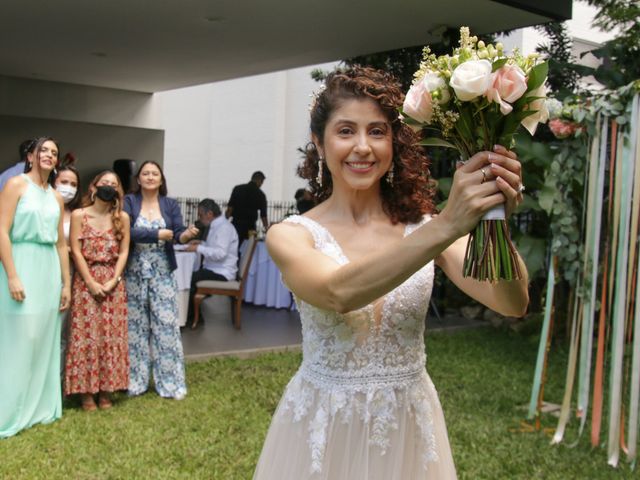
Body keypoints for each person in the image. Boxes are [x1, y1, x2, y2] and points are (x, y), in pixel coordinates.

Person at [252, 67, 529, 479]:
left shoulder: (424, 228)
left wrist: (493, 216)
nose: (362, 147)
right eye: (346, 131)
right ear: (319, 142)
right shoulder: (291, 235)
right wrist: (449, 224)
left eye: (377, 132)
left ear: (393, 144)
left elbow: (512, 302)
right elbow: (337, 292)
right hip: (324, 428)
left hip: (407, 426)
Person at [0, 137, 71, 438]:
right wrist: (12, 275)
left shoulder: (56, 197)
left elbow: (60, 243)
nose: (49, 155)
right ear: (31, 155)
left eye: (54, 153)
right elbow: (2, 230)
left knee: (43, 338)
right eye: (44, 150)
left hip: (48, 270)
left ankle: (39, 407)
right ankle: (9, 408)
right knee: (20, 337)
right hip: (21, 261)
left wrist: (66, 283)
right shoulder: (16, 184)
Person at [123, 161, 198, 400]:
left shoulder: (170, 204)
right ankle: (135, 382)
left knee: (166, 326)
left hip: (162, 272)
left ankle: (170, 383)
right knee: (135, 328)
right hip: (134, 271)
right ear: (138, 179)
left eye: (155, 173)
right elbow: (125, 232)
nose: (150, 176)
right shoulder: (129, 202)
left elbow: (177, 234)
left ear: (161, 179)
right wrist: (155, 234)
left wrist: (186, 234)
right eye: (145, 173)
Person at [64, 171, 130, 411]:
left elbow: (124, 252)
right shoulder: (80, 215)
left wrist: (113, 280)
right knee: (86, 337)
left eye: (114, 184)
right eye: (105, 183)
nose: (109, 187)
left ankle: (106, 389)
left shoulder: (122, 217)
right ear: (94, 187)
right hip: (86, 282)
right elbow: (75, 250)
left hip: (113, 283)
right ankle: (85, 393)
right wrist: (91, 282)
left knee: (110, 337)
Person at [185, 198, 239, 325]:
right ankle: (190, 316)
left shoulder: (224, 228)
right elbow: (214, 246)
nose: (199, 218)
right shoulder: (217, 226)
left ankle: (194, 319)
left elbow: (220, 254)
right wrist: (201, 243)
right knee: (190, 276)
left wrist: (198, 248)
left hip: (223, 272)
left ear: (209, 214)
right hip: (215, 269)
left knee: (190, 278)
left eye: (201, 215)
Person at [52, 161, 82, 379]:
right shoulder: (42, 207)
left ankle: (58, 381)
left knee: (62, 331)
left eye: (73, 184)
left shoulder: (77, 214)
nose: (68, 187)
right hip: (41, 269)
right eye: (64, 182)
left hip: (68, 274)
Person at [226, 171, 269, 245]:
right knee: (249, 248)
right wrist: (267, 229)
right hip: (250, 227)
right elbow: (263, 215)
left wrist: (225, 221)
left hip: (236, 224)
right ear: (259, 181)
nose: (261, 184)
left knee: (233, 245)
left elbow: (230, 208)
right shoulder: (260, 194)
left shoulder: (237, 189)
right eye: (262, 182)